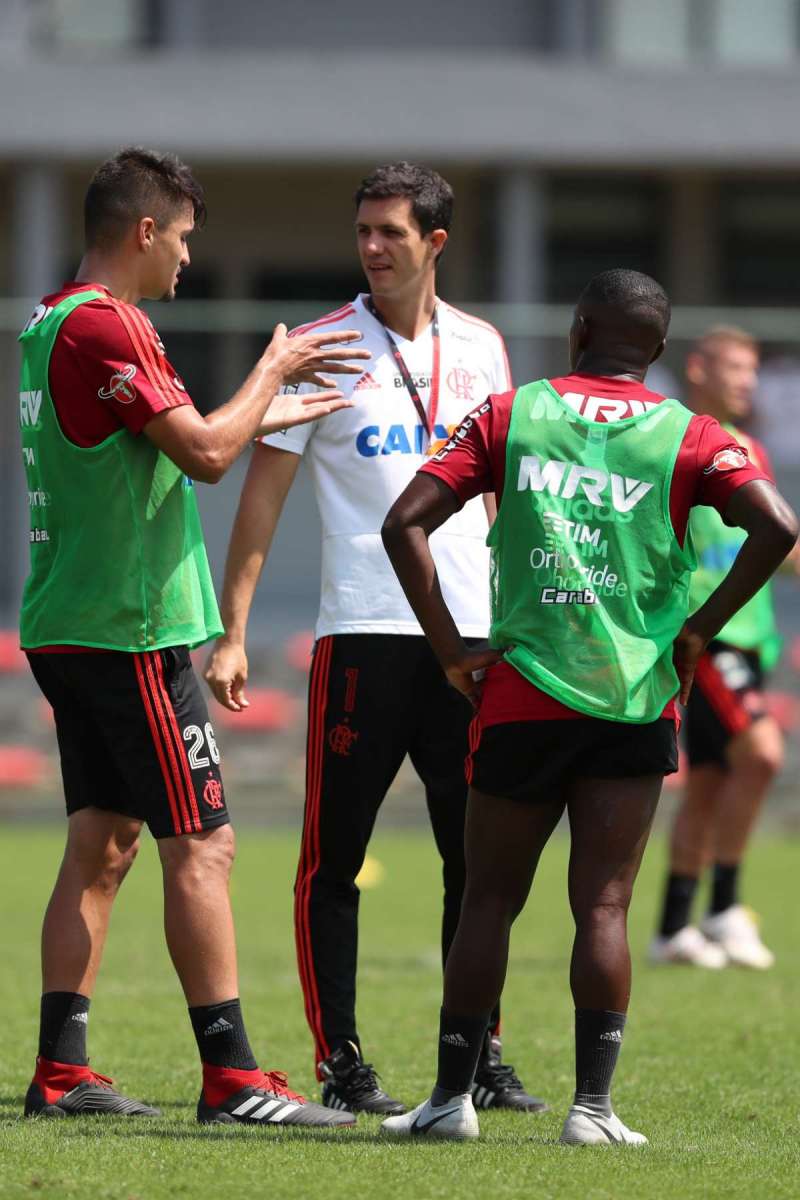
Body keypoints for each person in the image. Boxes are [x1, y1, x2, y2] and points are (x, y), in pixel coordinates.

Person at [378, 270, 797, 1144]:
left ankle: (451, 1103)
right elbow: (777, 527)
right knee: (602, 907)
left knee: (488, 899)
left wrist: (453, 649)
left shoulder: (511, 414)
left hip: (522, 694)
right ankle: (593, 1111)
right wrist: (696, 632)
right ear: (658, 352)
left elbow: (405, 521)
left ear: (577, 332)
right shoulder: (691, 436)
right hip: (634, 698)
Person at [19, 146, 371, 1127]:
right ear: (144, 231)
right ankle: (234, 1080)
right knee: (204, 845)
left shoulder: (51, 321)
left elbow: (170, 442)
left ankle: (61, 1071)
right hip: (130, 627)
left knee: (104, 842)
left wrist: (269, 404)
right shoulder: (110, 323)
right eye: (181, 238)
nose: (184, 259)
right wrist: (273, 364)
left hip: (69, 619)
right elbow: (211, 455)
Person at [205, 161, 544, 1116]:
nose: (372, 247)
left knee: (474, 858)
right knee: (335, 857)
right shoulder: (317, 346)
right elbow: (259, 504)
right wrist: (232, 631)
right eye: (363, 231)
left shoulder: (483, 346)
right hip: (361, 634)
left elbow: (507, 499)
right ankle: (342, 1059)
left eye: (391, 232)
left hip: (472, 636)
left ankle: (478, 1053)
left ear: (436, 242)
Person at [651, 328, 790, 970]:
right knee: (762, 754)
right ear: (699, 369)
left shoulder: (750, 448)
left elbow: (779, 546)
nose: (746, 381)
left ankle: (674, 928)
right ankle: (726, 907)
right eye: (735, 367)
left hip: (751, 634)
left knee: (707, 783)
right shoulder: (674, 439)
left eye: (752, 370)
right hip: (708, 632)